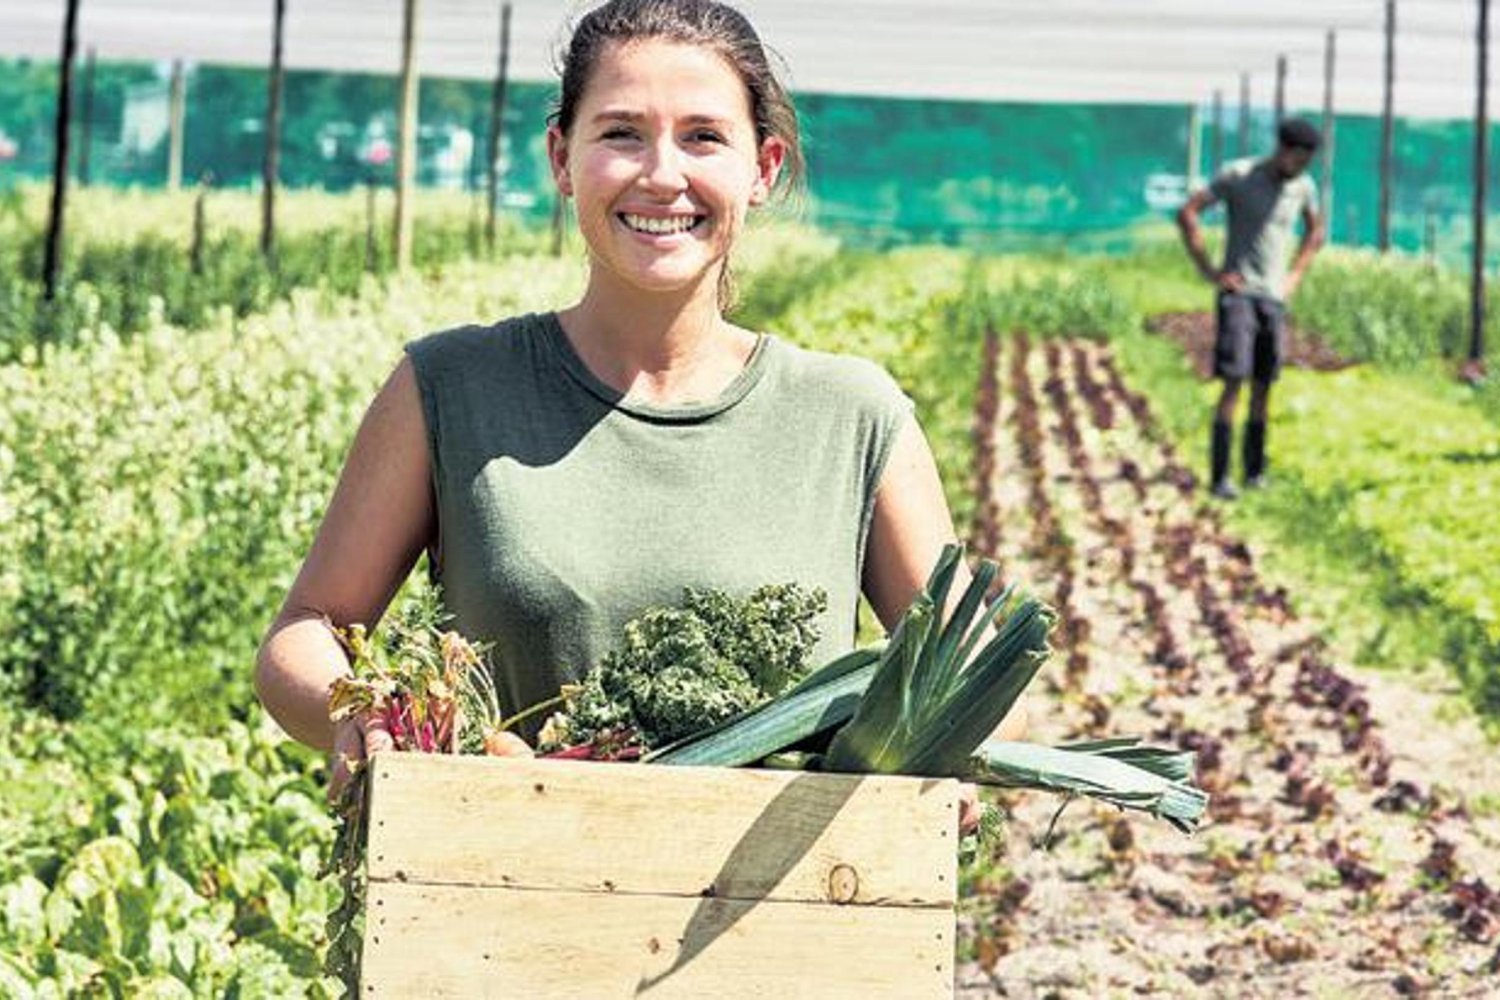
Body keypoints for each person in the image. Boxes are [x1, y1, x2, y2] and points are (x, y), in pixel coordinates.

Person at [254, 0, 1019, 829]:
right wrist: (354, 714)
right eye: (621, 132)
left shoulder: (853, 418)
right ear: (561, 158)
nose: (662, 174)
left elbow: (968, 673)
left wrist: (943, 755)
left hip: (783, 928)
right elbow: (305, 629)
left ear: (762, 169)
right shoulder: (448, 388)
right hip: (493, 899)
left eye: (703, 136)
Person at [1176, 116, 1326, 499]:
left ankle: (1255, 472)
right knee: (1233, 383)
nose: (1301, 167)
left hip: (1273, 299)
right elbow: (1188, 212)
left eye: (1308, 161)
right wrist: (1210, 271)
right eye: (1298, 158)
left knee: (1264, 385)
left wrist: (1294, 276)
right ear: (1283, 149)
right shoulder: (1239, 175)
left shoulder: (1303, 187)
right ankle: (1221, 476)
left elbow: (1315, 232)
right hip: (1239, 295)